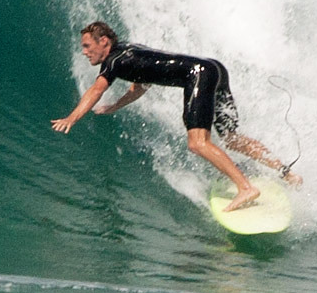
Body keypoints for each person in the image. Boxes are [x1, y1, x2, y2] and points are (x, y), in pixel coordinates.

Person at [52, 21, 303, 211]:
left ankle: (246, 188)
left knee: (197, 143)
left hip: (198, 75)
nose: (84, 52)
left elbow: (96, 89)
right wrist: (115, 106)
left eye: (87, 45)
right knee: (231, 138)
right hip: (214, 68)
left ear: (104, 42)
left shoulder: (114, 62)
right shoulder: (129, 53)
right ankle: (287, 173)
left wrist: (71, 118)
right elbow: (139, 86)